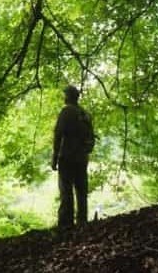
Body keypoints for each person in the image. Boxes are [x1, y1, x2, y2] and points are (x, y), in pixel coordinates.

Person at [51, 84, 94, 227]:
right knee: (81, 191)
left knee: (66, 191)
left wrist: (55, 157)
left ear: (68, 96)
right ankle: (82, 221)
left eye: (65, 95)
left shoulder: (66, 112)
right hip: (82, 158)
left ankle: (65, 224)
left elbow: (58, 134)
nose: (64, 97)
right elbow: (91, 138)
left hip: (67, 157)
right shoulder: (85, 114)